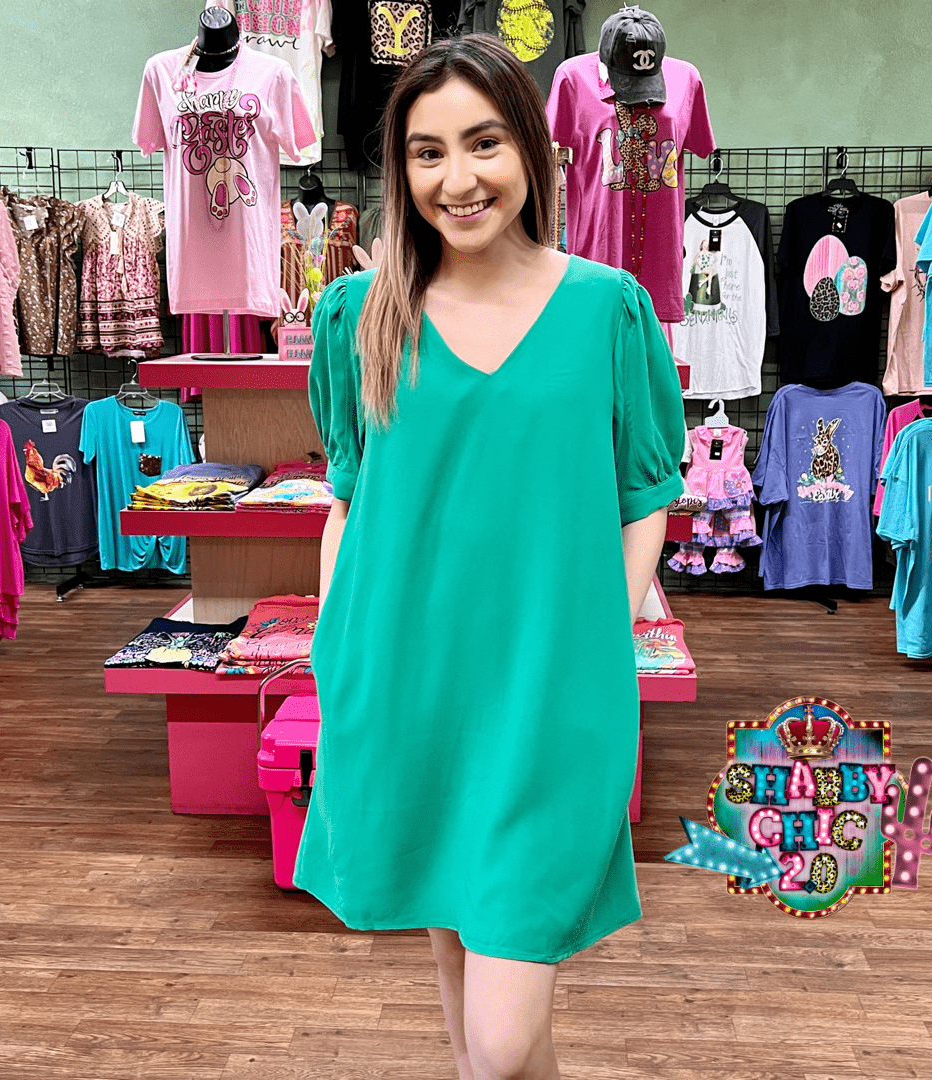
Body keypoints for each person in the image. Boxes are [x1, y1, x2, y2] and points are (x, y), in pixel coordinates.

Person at [292, 32, 686, 1080]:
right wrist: (337, 658)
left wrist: (601, 637)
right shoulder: (358, 315)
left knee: (502, 1034)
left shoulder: (607, 309)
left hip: (551, 697)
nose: (457, 179)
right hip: (404, 687)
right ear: (400, 169)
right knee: (476, 1015)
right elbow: (347, 503)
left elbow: (645, 498)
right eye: (427, 153)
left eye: (483, 143)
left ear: (532, 150)